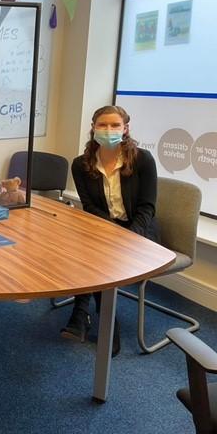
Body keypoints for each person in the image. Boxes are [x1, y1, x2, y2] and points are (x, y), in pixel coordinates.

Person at [61, 105, 160, 357]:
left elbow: (147, 208)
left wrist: (126, 237)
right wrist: (109, 232)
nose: (108, 130)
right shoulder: (80, 164)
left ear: (125, 129)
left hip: (139, 231)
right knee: (78, 249)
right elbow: (90, 206)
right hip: (103, 226)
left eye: (115, 125)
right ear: (93, 128)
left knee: (96, 257)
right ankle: (94, 315)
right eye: (103, 125)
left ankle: (85, 315)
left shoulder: (143, 160)